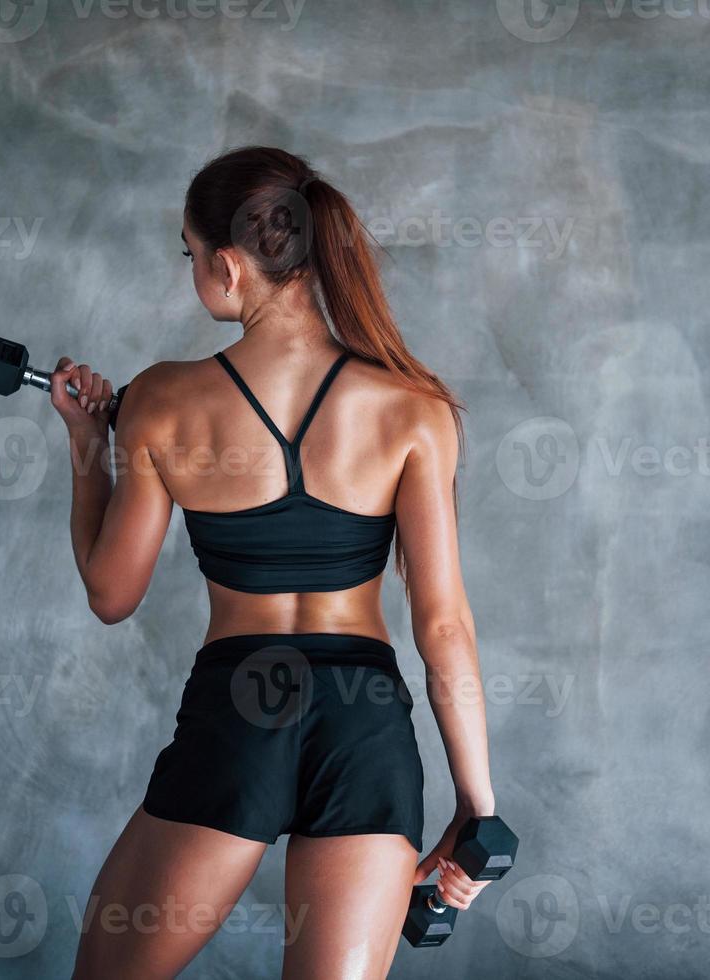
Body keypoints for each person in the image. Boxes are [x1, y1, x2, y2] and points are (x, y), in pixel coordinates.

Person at [55, 146, 496, 979]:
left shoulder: (160, 400)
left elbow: (111, 595)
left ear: (227, 264)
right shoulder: (413, 406)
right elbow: (444, 627)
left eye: (190, 258)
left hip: (240, 707)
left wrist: (88, 447)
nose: (194, 274)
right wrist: (478, 802)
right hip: (363, 726)